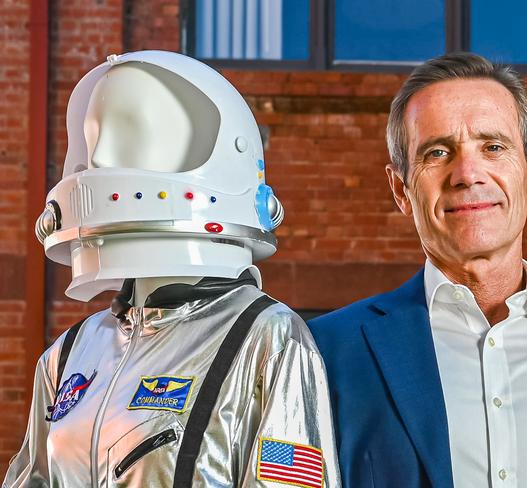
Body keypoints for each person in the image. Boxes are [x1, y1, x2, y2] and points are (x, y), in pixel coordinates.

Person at [308, 52, 527, 488]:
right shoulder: (326, 352)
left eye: (493, 146)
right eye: (437, 152)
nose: (468, 174)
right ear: (401, 189)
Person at [4, 50, 340, 488]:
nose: (100, 158)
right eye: (94, 138)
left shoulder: (267, 339)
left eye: (129, 130)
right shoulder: (68, 355)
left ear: (211, 154)